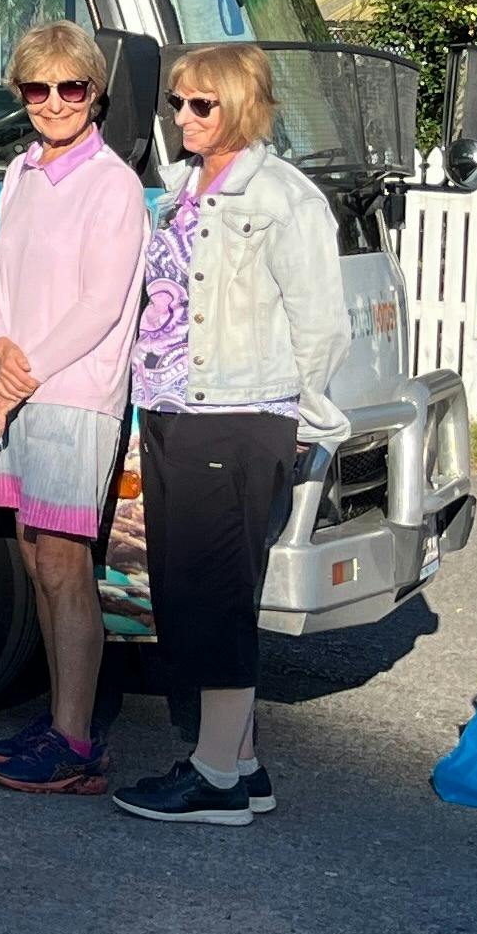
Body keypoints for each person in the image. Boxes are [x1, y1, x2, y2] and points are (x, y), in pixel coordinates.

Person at [112, 40, 349, 828]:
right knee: (184, 590)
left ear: (242, 106)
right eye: (177, 102)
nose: (183, 116)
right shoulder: (180, 188)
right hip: (174, 409)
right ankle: (241, 765)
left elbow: (321, 325)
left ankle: (213, 778)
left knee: (213, 593)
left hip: (239, 415)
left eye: (201, 104)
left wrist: (297, 413)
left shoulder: (283, 197)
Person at [0, 20, 152, 795]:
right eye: (38, 88)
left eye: (70, 87)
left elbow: (101, 304)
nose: (53, 102)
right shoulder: (19, 174)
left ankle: (77, 739)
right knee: (33, 554)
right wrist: (0, 350)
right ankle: (58, 718)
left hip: (76, 395)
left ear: (94, 93)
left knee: (65, 560)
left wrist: (23, 371)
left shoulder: (112, 183)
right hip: (18, 390)